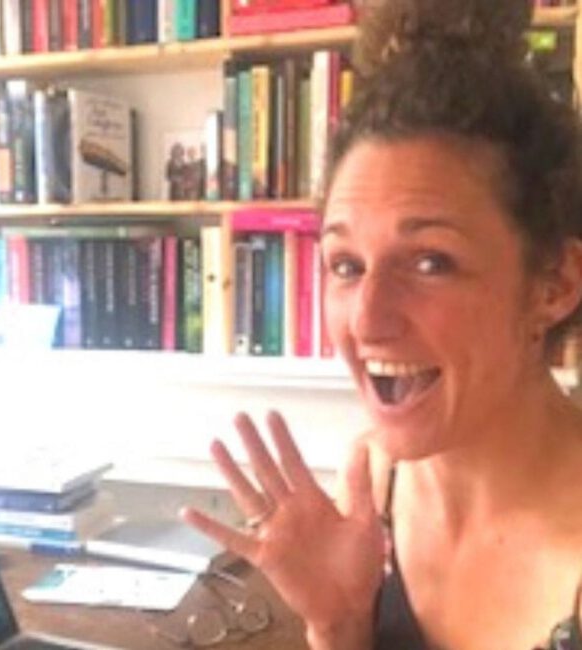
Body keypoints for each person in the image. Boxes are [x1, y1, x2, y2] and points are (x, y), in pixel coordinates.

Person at [180, 1, 582, 648]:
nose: (367, 320)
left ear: (554, 284)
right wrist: (339, 624)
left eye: (430, 262)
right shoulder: (375, 484)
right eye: (345, 265)